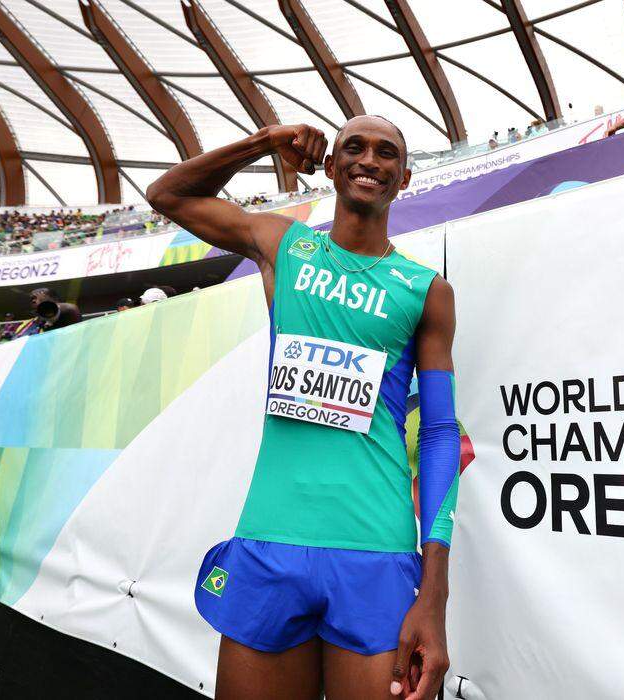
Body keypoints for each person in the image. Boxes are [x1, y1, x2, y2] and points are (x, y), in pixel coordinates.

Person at [147, 115, 459, 700]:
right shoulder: (282, 244)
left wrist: (433, 594)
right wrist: (264, 142)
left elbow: (439, 433)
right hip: (270, 543)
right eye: (354, 148)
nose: (370, 159)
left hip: (377, 552)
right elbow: (168, 195)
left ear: (405, 177)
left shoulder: (426, 290)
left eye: (386, 152)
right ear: (332, 165)